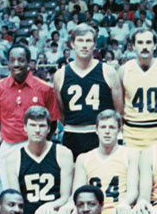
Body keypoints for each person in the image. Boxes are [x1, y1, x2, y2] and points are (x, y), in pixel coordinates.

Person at [0, 44, 61, 188]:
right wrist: (10, 136)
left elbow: (52, 122)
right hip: (8, 146)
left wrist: (40, 143)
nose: (16, 64)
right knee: (10, 194)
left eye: (21, 60)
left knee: (35, 193)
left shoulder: (44, 88)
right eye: (12, 60)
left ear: (29, 63)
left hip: (36, 147)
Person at [53, 24, 123, 158]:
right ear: (72, 44)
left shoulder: (108, 72)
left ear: (95, 44)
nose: (84, 45)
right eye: (80, 40)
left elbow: (119, 111)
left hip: (101, 137)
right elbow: (61, 113)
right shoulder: (60, 75)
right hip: (72, 135)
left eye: (88, 41)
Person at [3, 106, 74, 214]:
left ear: (48, 129)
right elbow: (16, 198)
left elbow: (65, 197)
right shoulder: (13, 159)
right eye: (32, 125)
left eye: (41, 126)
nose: (37, 130)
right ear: (24, 127)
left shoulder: (63, 154)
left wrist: (50, 206)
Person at [120, 28, 157, 149]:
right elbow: (120, 108)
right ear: (133, 46)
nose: (144, 47)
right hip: (132, 134)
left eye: (148, 42)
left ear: (154, 45)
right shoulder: (123, 71)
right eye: (140, 43)